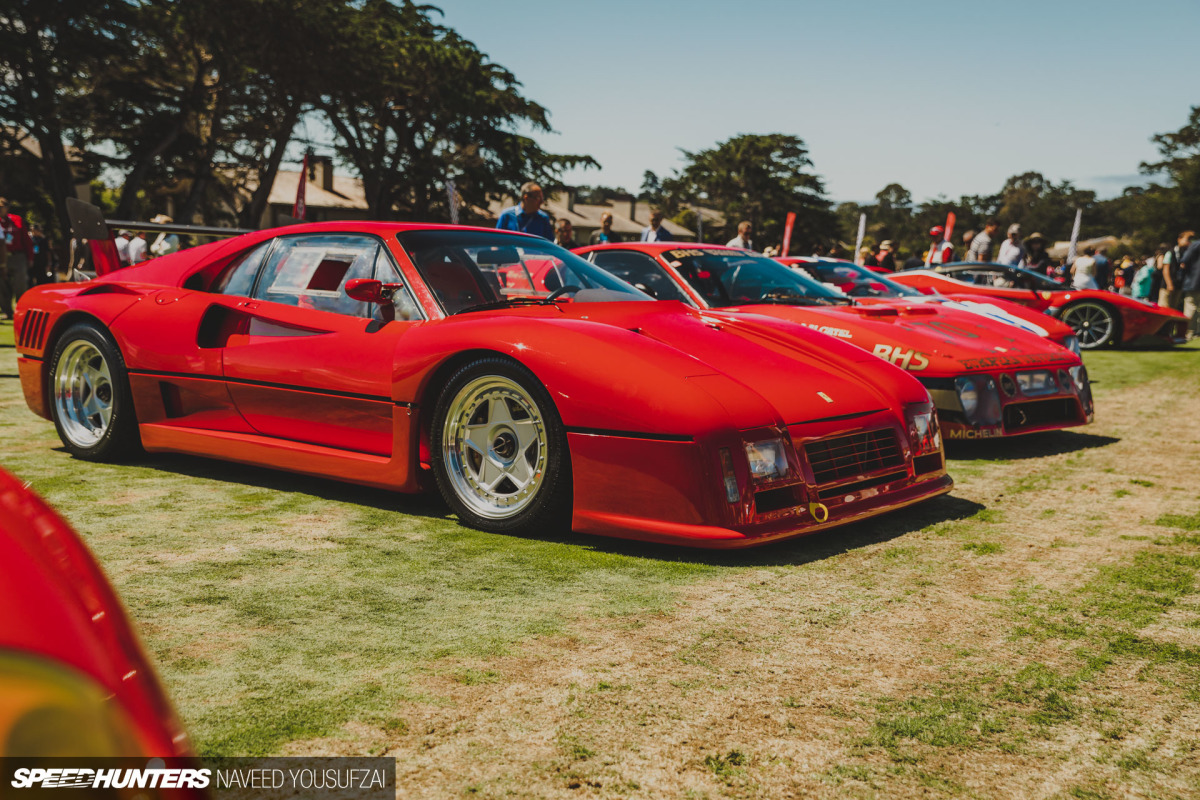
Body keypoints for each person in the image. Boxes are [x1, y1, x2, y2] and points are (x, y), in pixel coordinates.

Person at [0, 197, 34, 320]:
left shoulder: (16, 220)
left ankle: (21, 310)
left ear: (6, 208)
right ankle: (7, 312)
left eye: (1, 207)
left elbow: (26, 240)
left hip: (18, 256)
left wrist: (30, 257)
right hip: (2, 257)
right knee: (2, 285)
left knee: (21, 284)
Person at [1160, 231, 1193, 310]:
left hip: (1178, 286)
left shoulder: (1186, 254)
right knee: (1164, 307)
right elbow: (1165, 270)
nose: (1188, 242)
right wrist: (1169, 284)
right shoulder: (1171, 252)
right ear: (1179, 239)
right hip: (1167, 286)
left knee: (1173, 309)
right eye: (1187, 239)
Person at [1181, 234, 1200, 339]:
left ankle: (1189, 332)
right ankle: (1198, 332)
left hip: (1194, 281)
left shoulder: (1195, 245)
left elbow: (1184, 261)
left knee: (1190, 306)